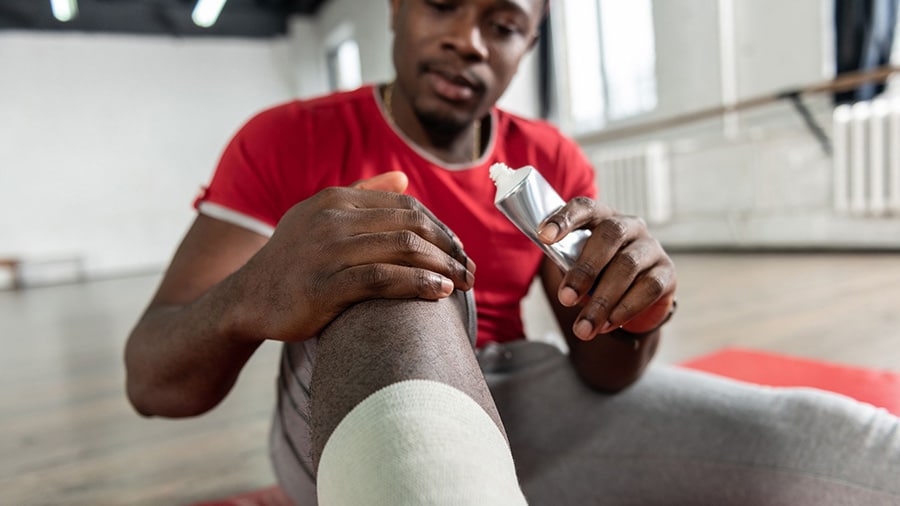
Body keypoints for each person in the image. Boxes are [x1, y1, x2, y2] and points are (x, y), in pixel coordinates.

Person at [125, 0, 900, 504]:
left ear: (526, 46)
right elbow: (152, 383)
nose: (467, 40)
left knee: (846, 445)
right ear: (396, 9)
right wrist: (262, 285)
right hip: (344, 400)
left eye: (501, 25)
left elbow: (604, 374)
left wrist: (635, 308)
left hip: (523, 397)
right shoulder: (287, 139)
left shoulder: (550, 159)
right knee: (393, 255)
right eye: (442, 6)